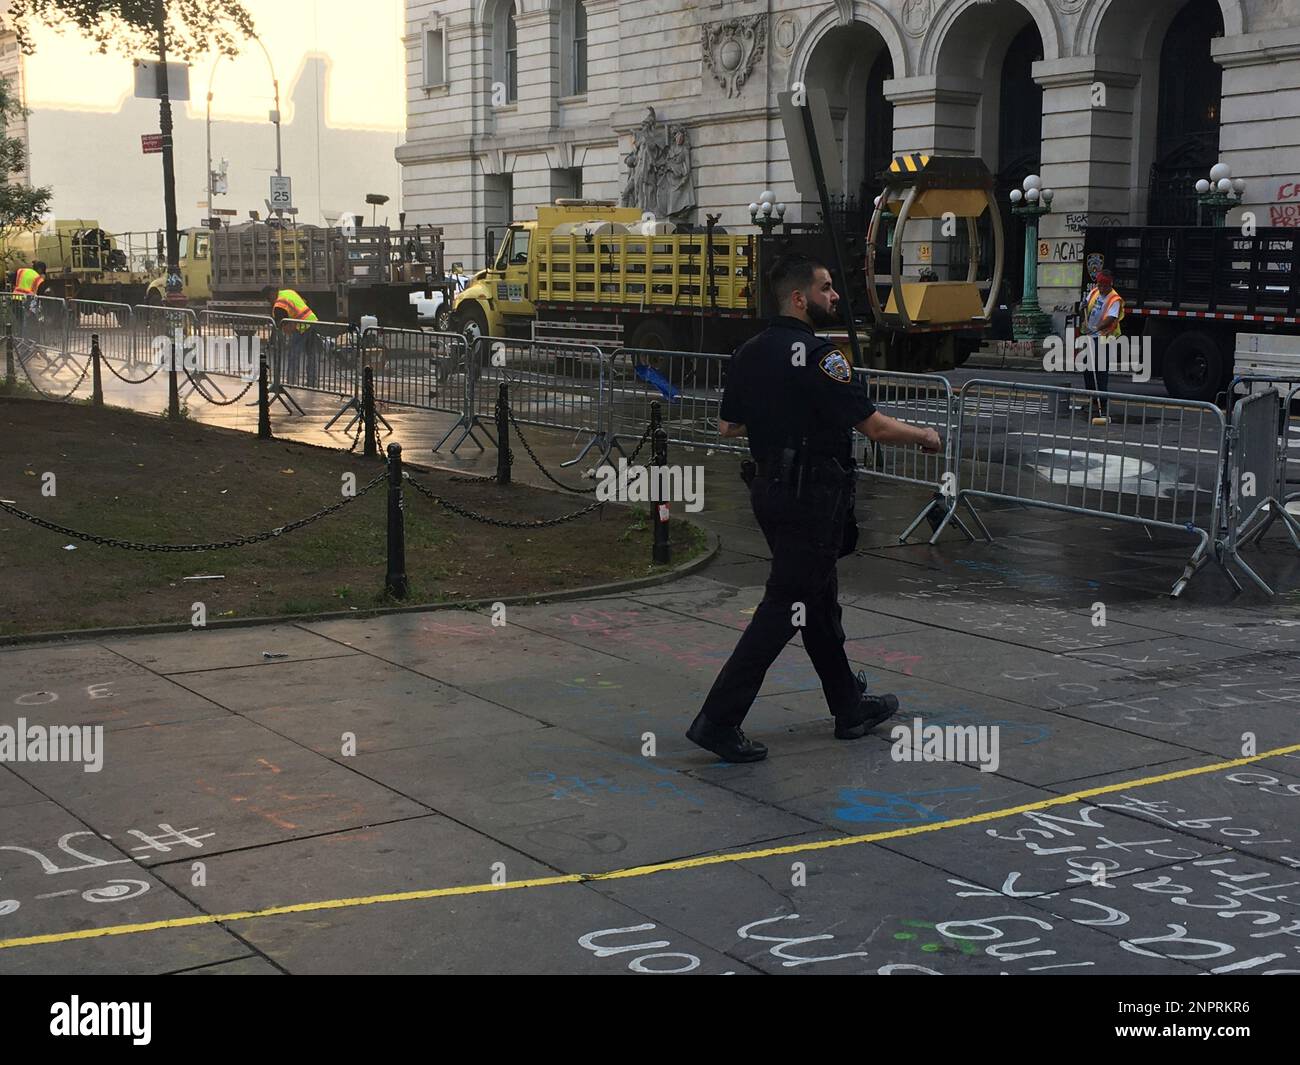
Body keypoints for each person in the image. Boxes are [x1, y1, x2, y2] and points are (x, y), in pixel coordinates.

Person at [686, 254, 942, 763]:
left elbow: (729, 427)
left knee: (817, 601)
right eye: (827, 287)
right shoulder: (823, 356)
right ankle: (718, 720)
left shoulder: (749, 351)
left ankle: (848, 705)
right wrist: (926, 436)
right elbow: (874, 427)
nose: (835, 297)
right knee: (785, 606)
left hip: (768, 490)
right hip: (812, 496)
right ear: (800, 298)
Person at [1081, 269, 1123, 426]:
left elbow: (1111, 318)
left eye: (1104, 286)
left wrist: (1096, 328)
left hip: (1105, 337)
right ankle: (1093, 399)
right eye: (1099, 285)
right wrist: (1082, 306)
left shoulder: (1114, 299)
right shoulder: (1093, 292)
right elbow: (1085, 307)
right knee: (1087, 368)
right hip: (1090, 336)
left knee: (1100, 370)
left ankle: (1102, 403)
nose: (1101, 288)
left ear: (1110, 284)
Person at [262, 284, 319, 387]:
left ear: (271, 294)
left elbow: (286, 325)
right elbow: (302, 303)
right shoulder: (289, 292)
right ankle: (312, 382)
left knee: (293, 354)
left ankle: (291, 382)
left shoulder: (279, 305)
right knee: (311, 354)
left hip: (301, 326)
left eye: (268, 299)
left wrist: (287, 334)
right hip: (312, 321)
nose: (270, 302)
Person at [11, 260, 47, 338]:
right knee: (28, 324)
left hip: (15, 300)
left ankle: (21, 341)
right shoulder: (38, 278)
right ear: (40, 269)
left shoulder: (21, 271)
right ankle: (27, 343)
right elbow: (40, 294)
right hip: (27, 303)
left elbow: (13, 280)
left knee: (21, 323)